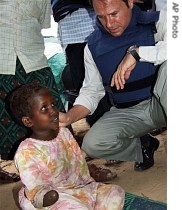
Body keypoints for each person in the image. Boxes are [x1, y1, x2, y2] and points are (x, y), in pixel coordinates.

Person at [59, 0, 167, 171]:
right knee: (93, 144)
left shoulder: (158, 21)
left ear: (130, 2)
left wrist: (137, 53)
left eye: (114, 14)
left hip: (162, 103)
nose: (109, 24)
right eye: (101, 17)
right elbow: (91, 91)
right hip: (129, 113)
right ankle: (143, 146)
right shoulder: (92, 46)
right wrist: (69, 117)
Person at [9, 82, 125, 209]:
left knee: (116, 192)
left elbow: (77, 162)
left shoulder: (63, 132)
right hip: (53, 199)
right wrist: (45, 196)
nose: (53, 111)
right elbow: (35, 187)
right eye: (44, 108)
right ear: (28, 121)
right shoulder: (26, 152)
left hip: (79, 189)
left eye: (52, 104)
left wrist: (89, 183)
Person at [51, 0, 112, 127]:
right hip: (72, 34)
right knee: (88, 90)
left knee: (109, 87)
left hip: (92, 29)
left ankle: (133, 139)